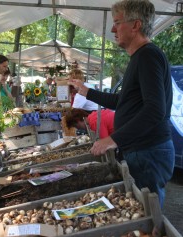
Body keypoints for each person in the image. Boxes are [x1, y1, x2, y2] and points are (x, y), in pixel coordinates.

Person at [69, 0, 175, 207]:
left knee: (148, 213)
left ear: (135, 25)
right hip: (144, 150)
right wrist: (87, 92)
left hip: (148, 150)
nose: (112, 29)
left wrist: (112, 139)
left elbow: (155, 110)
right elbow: (124, 102)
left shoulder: (148, 56)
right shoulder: (140, 57)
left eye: (117, 22)